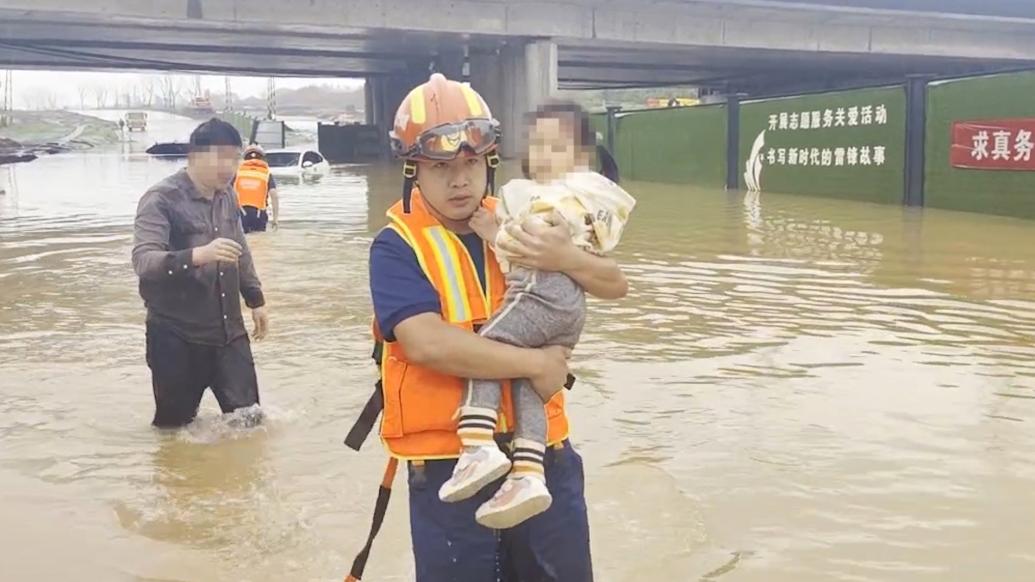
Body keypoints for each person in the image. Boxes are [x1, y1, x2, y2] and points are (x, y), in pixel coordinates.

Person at [367, 73, 628, 581]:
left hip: (544, 459)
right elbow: (426, 343)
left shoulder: (523, 218)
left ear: (487, 159)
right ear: (413, 169)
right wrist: (537, 364)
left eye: (469, 164)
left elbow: (616, 283)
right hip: (451, 467)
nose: (459, 180)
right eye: (441, 167)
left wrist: (566, 255)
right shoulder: (396, 246)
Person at [439, 101, 636, 529]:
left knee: (485, 350)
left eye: (557, 146)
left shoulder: (554, 199)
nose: (544, 154)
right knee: (528, 383)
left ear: (582, 156)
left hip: (541, 295)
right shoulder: (591, 199)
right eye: (537, 145)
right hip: (569, 312)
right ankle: (529, 472)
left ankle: (476, 444)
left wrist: (496, 233)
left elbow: (535, 251)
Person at [132, 118, 270, 429]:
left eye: (234, 158)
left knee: (250, 425)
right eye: (221, 157)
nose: (229, 167)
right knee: (175, 431)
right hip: (177, 336)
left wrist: (255, 298)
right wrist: (197, 256)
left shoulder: (228, 195)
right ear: (195, 155)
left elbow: (240, 248)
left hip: (229, 333)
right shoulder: (161, 199)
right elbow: (144, 261)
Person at [234, 144, 280, 233]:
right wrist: (275, 219)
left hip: (240, 212)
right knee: (260, 243)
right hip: (259, 213)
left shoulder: (237, 173)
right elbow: (274, 195)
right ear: (262, 158)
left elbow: (227, 192)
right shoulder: (266, 174)